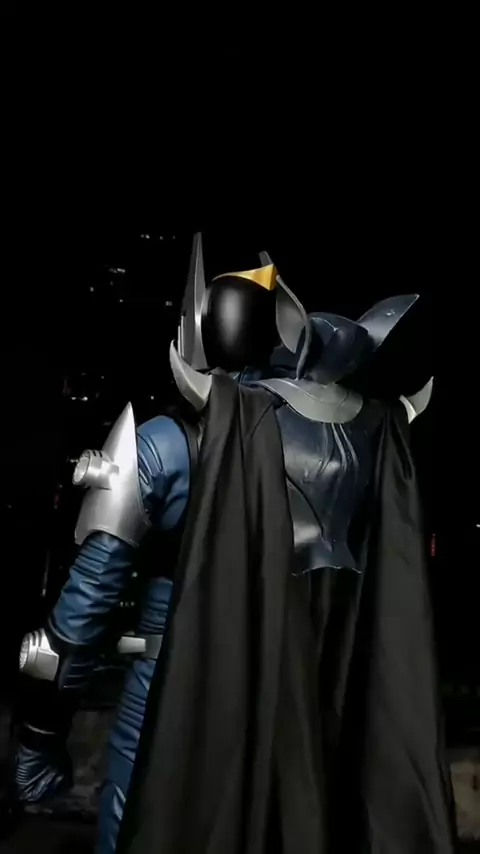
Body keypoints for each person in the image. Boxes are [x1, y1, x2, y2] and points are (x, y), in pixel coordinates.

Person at [13, 235, 454, 853]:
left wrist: (38, 744)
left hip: (181, 699)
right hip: (315, 705)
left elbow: (74, 627)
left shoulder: (169, 444)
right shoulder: (362, 438)